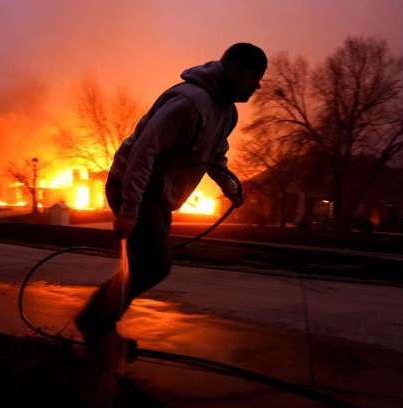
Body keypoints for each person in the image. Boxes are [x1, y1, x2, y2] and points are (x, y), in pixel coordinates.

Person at [75, 42, 267, 354]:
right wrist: (129, 209)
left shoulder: (226, 113)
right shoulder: (188, 103)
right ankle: (96, 324)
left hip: (157, 194)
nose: (257, 85)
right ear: (233, 69)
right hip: (133, 184)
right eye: (254, 76)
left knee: (145, 264)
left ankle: (99, 325)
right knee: (154, 264)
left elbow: (214, 155)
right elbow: (143, 151)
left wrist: (230, 187)